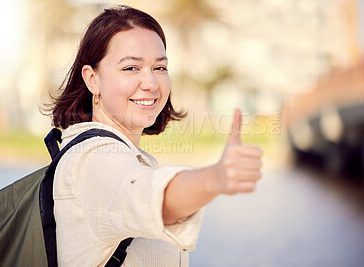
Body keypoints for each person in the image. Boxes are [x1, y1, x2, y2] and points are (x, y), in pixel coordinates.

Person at [49, 5, 263, 266]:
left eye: (160, 68)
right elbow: (147, 195)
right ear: (92, 79)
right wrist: (215, 178)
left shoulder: (120, 154)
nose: (151, 83)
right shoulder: (93, 160)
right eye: (131, 68)